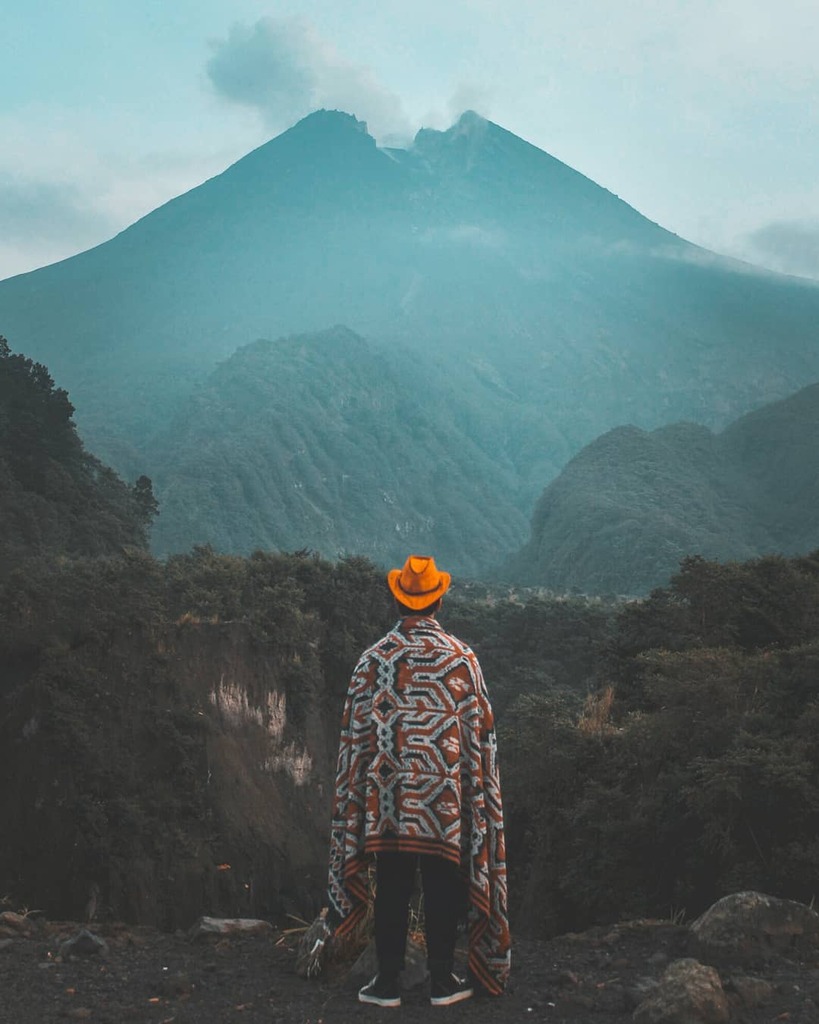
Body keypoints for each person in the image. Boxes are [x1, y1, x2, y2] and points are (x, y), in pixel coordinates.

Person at [326, 554, 511, 1007]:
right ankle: (443, 981)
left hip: (387, 802)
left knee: (392, 882)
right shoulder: (462, 661)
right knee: (442, 881)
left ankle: (386, 983)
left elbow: (356, 740)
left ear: (398, 599)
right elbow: (479, 739)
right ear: (439, 601)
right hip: (443, 802)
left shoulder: (371, 662)